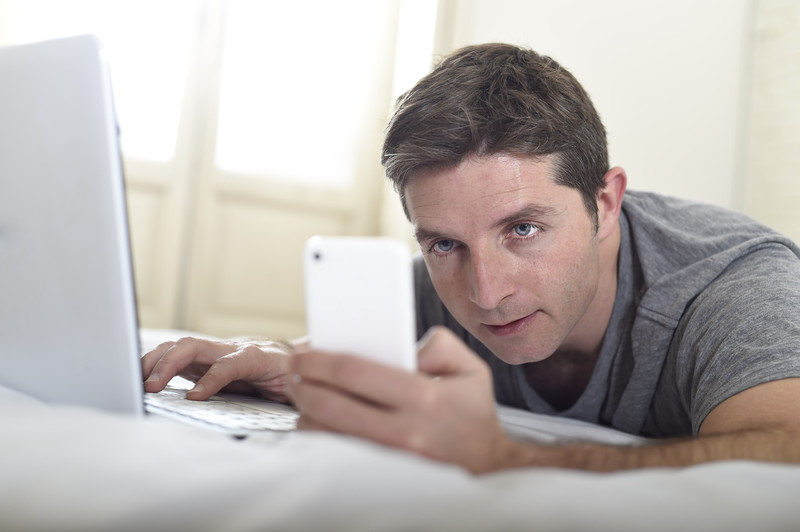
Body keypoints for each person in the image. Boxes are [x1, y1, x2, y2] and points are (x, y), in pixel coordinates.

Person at [142, 43, 800, 473]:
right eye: (445, 244)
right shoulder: (444, 279)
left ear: (605, 202)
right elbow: (331, 357)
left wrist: (504, 457)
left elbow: (785, 454)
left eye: (522, 229)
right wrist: (279, 359)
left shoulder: (732, 287)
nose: (485, 292)